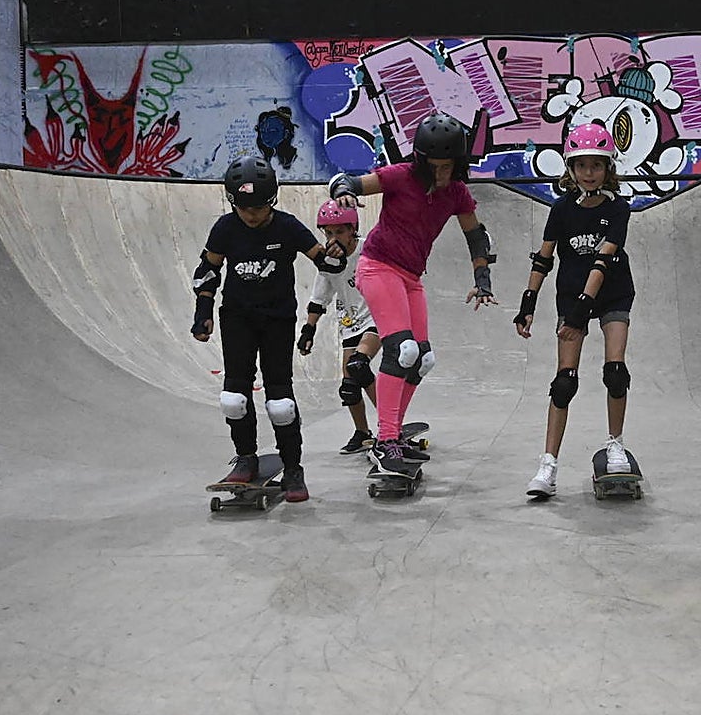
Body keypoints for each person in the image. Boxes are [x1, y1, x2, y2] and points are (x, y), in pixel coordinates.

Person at [327, 111, 497, 479]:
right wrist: (343, 194)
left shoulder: (457, 192)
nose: (441, 174)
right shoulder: (400, 177)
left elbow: (476, 235)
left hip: (411, 278)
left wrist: (482, 278)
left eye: (447, 167)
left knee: (422, 359)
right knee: (401, 350)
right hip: (377, 267)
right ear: (421, 161)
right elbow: (349, 181)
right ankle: (385, 440)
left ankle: (394, 434)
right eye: (434, 167)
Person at [191, 155, 348, 502]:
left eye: (260, 208)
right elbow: (208, 271)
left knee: (280, 402)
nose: (253, 216)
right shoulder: (225, 228)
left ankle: (293, 468)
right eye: (245, 209)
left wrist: (336, 254)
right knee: (234, 398)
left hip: (277, 320)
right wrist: (203, 312)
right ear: (233, 203)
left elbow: (323, 260)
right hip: (237, 319)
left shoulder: (288, 227)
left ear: (272, 200)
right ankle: (246, 458)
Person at [514, 121, 635, 498]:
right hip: (571, 295)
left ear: (608, 168)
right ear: (570, 168)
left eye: (596, 165)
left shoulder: (619, 210)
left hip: (612, 292)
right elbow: (544, 259)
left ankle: (615, 445)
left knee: (615, 373)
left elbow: (603, 260)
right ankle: (548, 465)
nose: (588, 173)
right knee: (564, 381)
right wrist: (528, 302)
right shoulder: (562, 209)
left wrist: (584, 309)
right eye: (581, 165)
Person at [297, 200, 382, 455]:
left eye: (340, 232)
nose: (334, 239)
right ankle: (363, 433)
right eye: (329, 233)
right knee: (348, 388)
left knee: (359, 365)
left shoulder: (370, 248)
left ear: (352, 229)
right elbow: (319, 297)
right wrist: (308, 330)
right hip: (350, 322)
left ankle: (391, 426)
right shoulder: (328, 261)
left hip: (377, 317)